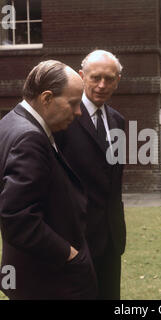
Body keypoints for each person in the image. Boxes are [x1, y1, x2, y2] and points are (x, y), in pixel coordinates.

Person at [0, 60, 98, 299]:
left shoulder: (10, 122)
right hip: (48, 280)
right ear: (46, 98)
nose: (78, 112)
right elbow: (17, 217)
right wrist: (70, 254)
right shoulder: (29, 138)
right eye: (73, 103)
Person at [55, 50, 126, 300]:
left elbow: (113, 181)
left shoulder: (118, 121)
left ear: (118, 80)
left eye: (109, 78)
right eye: (95, 77)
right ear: (81, 76)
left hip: (110, 239)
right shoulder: (62, 118)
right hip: (76, 237)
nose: (102, 85)